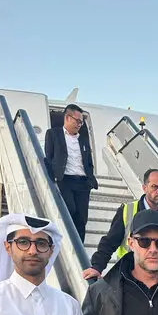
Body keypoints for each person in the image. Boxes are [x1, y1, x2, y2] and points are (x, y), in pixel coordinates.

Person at [83, 168, 158, 280]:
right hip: (127, 276)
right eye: (155, 187)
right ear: (144, 188)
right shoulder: (127, 210)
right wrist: (97, 267)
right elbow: (110, 242)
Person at [44, 104, 98, 242]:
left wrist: (90, 180)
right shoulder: (53, 134)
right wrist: (53, 178)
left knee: (81, 218)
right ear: (67, 117)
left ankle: (79, 246)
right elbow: (49, 157)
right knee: (70, 210)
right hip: (65, 180)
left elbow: (88, 161)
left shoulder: (83, 139)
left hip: (83, 183)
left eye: (81, 122)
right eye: (77, 121)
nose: (80, 124)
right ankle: (65, 242)